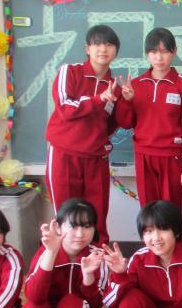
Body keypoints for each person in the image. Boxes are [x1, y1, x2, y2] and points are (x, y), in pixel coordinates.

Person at [45, 24, 123, 242]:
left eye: (109, 45)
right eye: (97, 44)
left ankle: (98, 260)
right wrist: (98, 100)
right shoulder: (70, 72)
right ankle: (63, 259)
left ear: (116, 51)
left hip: (96, 158)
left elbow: (112, 124)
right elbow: (65, 107)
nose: (103, 49)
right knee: (65, 217)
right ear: (87, 49)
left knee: (97, 218)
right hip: (64, 154)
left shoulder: (115, 87)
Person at [115, 28, 182, 210]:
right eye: (153, 52)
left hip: (173, 157)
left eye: (164, 51)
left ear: (174, 51)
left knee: (172, 212)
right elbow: (125, 123)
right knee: (148, 212)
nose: (159, 58)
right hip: (143, 155)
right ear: (147, 54)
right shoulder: (135, 85)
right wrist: (126, 101)